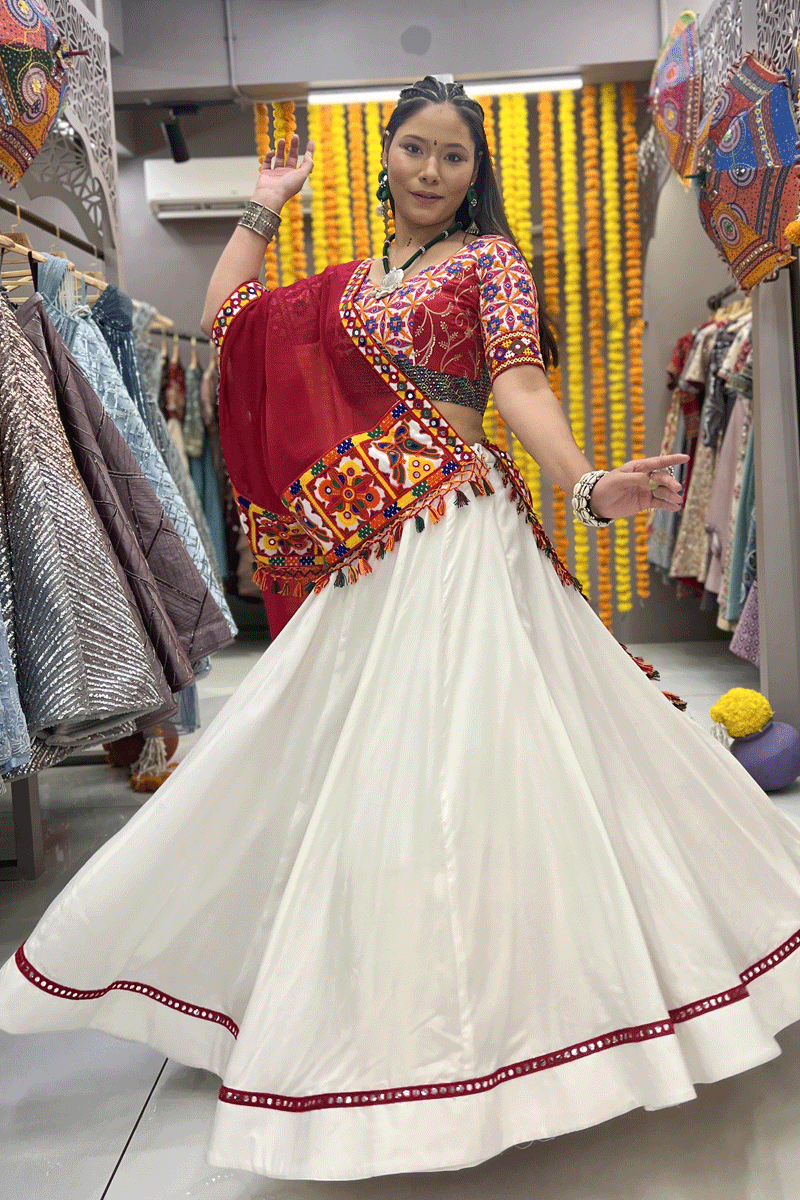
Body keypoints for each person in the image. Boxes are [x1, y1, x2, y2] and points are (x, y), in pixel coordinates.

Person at [2, 77, 800, 1186]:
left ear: (478, 174)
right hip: (370, 560)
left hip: (460, 536)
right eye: (414, 150)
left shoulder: (491, 267)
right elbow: (229, 325)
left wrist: (584, 485)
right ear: (384, 156)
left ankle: (531, 1027)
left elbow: (518, 387)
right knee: (323, 763)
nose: (430, 173)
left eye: (452, 158)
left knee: (488, 766)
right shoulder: (345, 285)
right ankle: (353, 996)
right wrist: (262, 205)